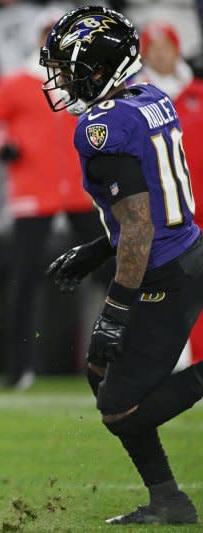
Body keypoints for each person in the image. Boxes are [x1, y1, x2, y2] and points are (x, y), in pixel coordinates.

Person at [41, 5, 203, 524]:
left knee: (120, 406)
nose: (60, 79)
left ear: (97, 68)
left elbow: (138, 225)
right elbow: (150, 203)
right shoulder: (150, 97)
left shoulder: (101, 127)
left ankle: (169, 501)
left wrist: (114, 309)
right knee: (100, 375)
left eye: (67, 68)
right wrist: (95, 250)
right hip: (180, 254)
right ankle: (168, 499)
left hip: (167, 272)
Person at [0, 11, 99, 390]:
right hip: (33, 194)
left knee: (114, 269)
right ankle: (16, 368)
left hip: (79, 193)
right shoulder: (18, 82)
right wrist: (1, 145)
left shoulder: (88, 81)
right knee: (23, 279)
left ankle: (128, 357)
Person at [136, 21, 203, 365]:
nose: (160, 52)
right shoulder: (136, 96)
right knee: (164, 283)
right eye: (153, 45)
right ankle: (166, 360)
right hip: (161, 206)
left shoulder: (198, 93)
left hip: (201, 200)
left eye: (166, 44)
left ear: (179, 48)